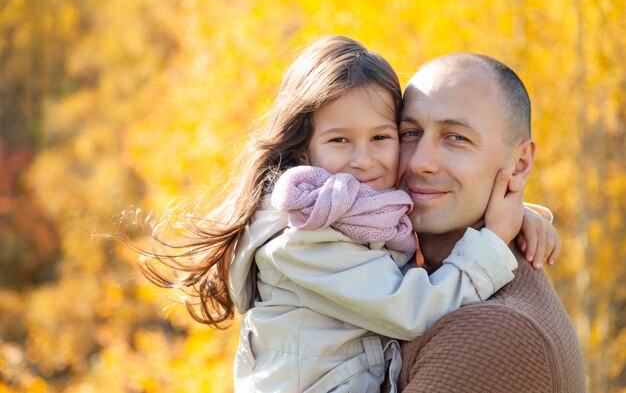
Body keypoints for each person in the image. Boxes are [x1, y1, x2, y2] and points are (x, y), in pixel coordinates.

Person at [138, 36, 558, 393]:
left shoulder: (364, 209)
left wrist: (517, 213)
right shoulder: (304, 234)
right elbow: (413, 310)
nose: (364, 160)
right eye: (340, 140)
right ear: (305, 149)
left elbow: (419, 207)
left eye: (383, 137)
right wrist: (493, 241)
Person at [390, 53, 586, 392]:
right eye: (410, 133)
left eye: (456, 138)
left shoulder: (494, 330)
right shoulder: (398, 273)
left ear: (521, 164)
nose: (420, 161)